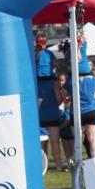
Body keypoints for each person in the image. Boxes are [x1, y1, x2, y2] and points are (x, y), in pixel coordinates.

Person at [35, 32, 65, 172]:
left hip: (40, 112)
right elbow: (59, 100)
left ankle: (43, 168)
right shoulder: (54, 83)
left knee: (42, 143)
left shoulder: (34, 54)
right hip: (51, 111)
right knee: (54, 141)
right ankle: (58, 165)